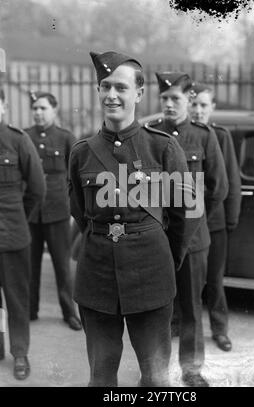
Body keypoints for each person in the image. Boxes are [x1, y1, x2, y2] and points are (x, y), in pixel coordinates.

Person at [69, 51, 202, 387]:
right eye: (105, 86)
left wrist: (165, 255)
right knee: (101, 375)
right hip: (97, 276)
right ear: (98, 91)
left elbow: (187, 212)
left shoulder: (162, 149)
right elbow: (79, 211)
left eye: (121, 88)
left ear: (139, 94)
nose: (112, 95)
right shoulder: (82, 152)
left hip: (151, 273)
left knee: (156, 378)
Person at [148, 72, 228, 387]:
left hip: (193, 239)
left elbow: (218, 187)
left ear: (189, 100)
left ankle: (191, 369)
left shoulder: (205, 136)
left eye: (176, 99)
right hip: (157, 237)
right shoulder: (149, 134)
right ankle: (155, 369)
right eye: (164, 98)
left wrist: (190, 216)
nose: (169, 104)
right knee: (158, 307)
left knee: (192, 307)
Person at [189, 83, 241, 351]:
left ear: (212, 109)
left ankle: (219, 329)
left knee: (214, 279)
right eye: (194, 104)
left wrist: (230, 220)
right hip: (187, 224)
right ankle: (180, 323)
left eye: (203, 105)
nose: (198, 111)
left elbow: (230, 181)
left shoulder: (220, 136)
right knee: (186, 279)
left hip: (214, 222)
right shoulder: (181, 136)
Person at [25, 91, 82, 331]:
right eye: (35, 108)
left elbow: (75, 175)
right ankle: (30, 310)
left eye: (43, 108)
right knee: (30, 264)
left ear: (54, 110)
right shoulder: (24, 137)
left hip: (57, 211)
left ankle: (69, 312)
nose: (38, 112)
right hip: (29, 212)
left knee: (61, 265)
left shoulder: (66, 138)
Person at [0, 87, 45, 379]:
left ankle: (20, 353)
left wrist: (20, 219)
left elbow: (37, 188)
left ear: (3, 106)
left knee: (17, 299)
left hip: (13, 236)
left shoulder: (18, 140)